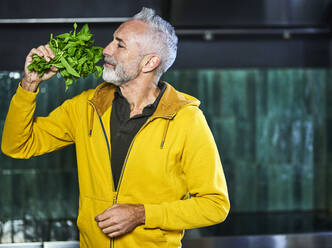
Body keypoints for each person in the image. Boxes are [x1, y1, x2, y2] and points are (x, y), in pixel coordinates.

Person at [1, 7, 230, 248]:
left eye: (120, 45)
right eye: (112, 40)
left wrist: (142, 214)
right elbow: (17, 145)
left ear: (149, 62)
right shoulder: (88, 107)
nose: (106, 50)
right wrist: (29, 84)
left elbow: (215, 205)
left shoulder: (186, 120)